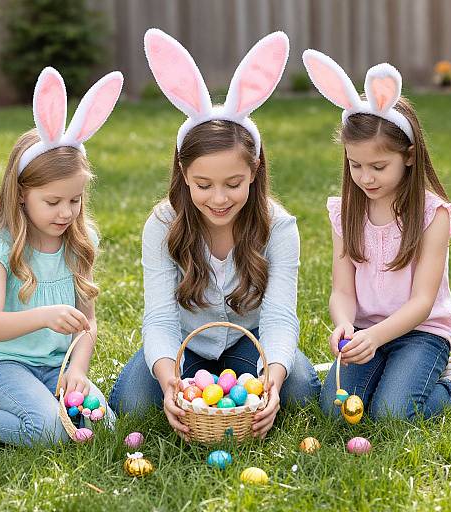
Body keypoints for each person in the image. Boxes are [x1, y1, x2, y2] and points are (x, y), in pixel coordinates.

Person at [109, 29, 321, 440]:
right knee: (133, 403)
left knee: (296, 391)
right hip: (187, 344)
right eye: (203, 185)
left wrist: (272, 379)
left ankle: (274, 377)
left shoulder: (279, 227)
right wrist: (170, 379)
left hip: (251, 340)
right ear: (184, 174)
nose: (219, 199)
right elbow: (159, 317)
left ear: (255, 171)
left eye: (233, 183)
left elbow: (278, 316)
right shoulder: (162, 224)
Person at [0, 67, 123, 445]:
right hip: (0, 363)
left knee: (103, 425)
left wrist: (78, 369)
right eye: (53, 201)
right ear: (21, 195)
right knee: (47, 431)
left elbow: (87, 324)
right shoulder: (0, 246)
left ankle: (42, 397)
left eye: (75, 201)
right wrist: (45, 316)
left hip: (54, 366)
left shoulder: (81, 240)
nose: (66, 213)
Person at [302, 49, 451, 421]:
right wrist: (344, 322)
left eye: (378, 166)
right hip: (365, 331)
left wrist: (376, 338)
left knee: (392, 415)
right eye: (355, 165)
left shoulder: (431, 214)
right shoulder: (345, 211)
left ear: (408, 156)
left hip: (421, 332)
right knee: (335, 411)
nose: (366, 177)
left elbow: (423, 302)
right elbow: (343, 289)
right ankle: (382, 373)